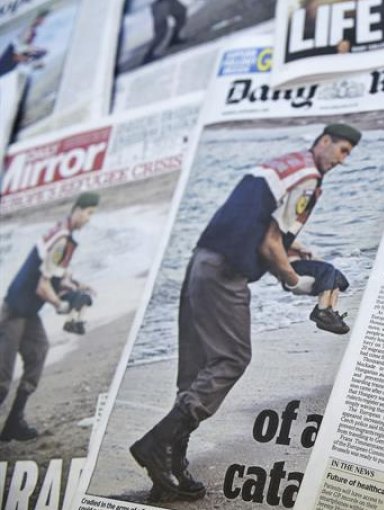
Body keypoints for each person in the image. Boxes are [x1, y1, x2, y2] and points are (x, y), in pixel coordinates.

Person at [129, 123, 361, 502]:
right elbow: (270, 244)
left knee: (195, 370)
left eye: (348, 153)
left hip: (201, 263)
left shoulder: (285, 164)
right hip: (224, 274)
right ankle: (157, 443)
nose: (343, 159)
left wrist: (294, 247)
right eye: (342, 149)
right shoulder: (308, 178)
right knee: (232, 358)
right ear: (323, 142)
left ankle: (169, 470)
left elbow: (258, 223)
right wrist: (293, 280)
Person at [0, 192, 99, 441]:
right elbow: (42, 287)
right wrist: (61, 306)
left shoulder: (65, 236)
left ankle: (14, 421)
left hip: (28, 312)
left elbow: (58, 274)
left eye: (92, 214)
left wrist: (77, 286)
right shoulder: (61, 239)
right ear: (77, 209)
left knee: (39, 351)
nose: (89, 219)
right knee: (2, 378)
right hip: (14, 311)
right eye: (88, 212)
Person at [0, 9, 49, 76]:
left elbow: (24, 51)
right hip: (6, 64)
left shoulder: (32, 33)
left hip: (8, 66)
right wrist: (31, 60)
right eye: (42, 19)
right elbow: (16, 56)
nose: (43, 22)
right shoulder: (27, 32)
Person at [142, 0, 187, 65]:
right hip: (158, 3)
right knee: (161, 31)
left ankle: (174, 38)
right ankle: (148, 55)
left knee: (181, 12)